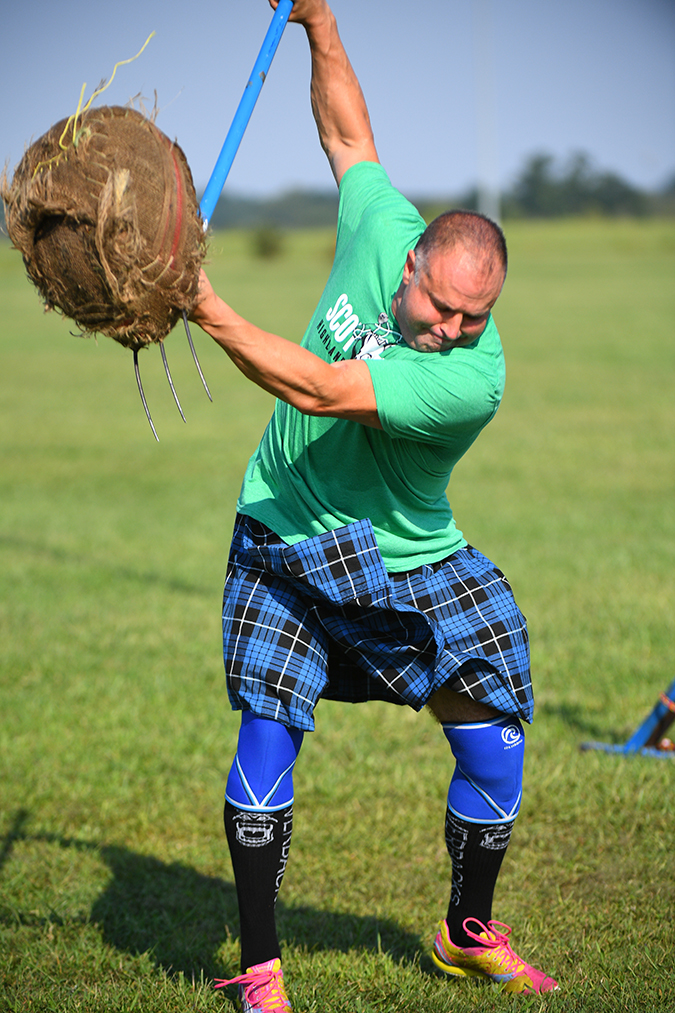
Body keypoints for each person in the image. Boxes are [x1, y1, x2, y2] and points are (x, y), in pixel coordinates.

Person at [191, 1, 558, 1008]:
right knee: (268, 727)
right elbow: (348, 134)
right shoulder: (384, 221)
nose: (450, 327)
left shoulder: (470, 380)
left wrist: (202, 303)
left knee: (495, 730)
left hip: (408, 557)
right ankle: (259, 964)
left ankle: (466, 930)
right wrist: (320, 22)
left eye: (472, 316)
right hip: (284, 530)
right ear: (409, 263)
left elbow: (318, 388)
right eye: (439, 306)